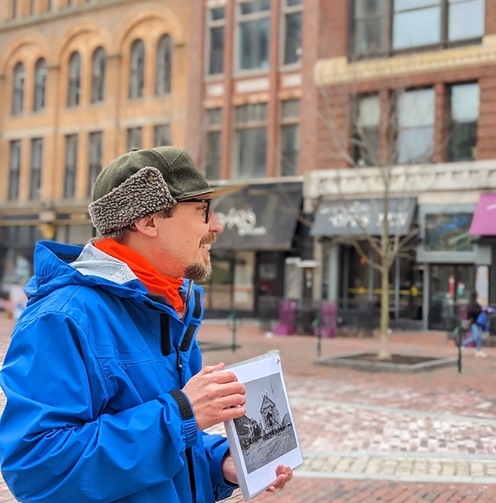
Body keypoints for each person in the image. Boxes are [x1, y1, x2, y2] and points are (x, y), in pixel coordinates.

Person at [0, 147, 292, 503]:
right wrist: (181, 412)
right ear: (148, 222)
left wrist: (220, 462)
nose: (217, 225)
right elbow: (37, 468)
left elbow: (172, 442)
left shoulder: (170, 308)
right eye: (202, 211)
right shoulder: (63, 318)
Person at [461, 291, 487, 357]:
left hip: (479, 322)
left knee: (479, 338)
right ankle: (463, 343)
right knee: (475, 337)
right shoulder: (471, 305)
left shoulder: (477, 304)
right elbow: (471, 314)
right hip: (474, 323)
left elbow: (481, 310)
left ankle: (478, 351)